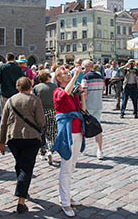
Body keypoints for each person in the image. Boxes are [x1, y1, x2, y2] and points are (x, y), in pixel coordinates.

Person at [0, 77, 45, 214]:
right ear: (30, 86)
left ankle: (23, 188)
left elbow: (3, 122)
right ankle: (21, 200)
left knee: (20, 164)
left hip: (13, 138)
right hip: (31, 138)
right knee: (26, 167)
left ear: (17, 86)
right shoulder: (35, 100)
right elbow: (41, 121)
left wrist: (1, 141)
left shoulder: (10, 100)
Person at [53, 65, 86, 218]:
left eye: (68, 72)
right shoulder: (58, 91)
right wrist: (76, 74)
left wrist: (83, 97)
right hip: (67, 132)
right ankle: (64, 200)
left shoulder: (72, 93)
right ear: (58, 78)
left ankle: (66, 195)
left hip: (77, 130)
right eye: (65, 73)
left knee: (72, 165)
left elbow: (82, 110)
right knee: (66, 166)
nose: (68, 74)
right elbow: (65, 93)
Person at [33, 70, 58, 164]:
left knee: (41, 132)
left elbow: (34, 100)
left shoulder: (36, 87)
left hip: (41, 111)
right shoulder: (55, 87)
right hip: (52, 111)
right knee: (51, 132)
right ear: (48, 77)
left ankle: (42, 151)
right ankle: (50, 150)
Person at [81, 60, 105, 160]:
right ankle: (99, 150)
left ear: (87, 67)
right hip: (98, 104)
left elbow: (84, 93)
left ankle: (81, 148)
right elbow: (103, 90)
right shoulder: (100, 77)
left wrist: (83, 106)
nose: (82, 70)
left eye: (83, 67)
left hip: (88, 105)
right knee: (97, 127)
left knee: (82, 127)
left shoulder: (86, 77)